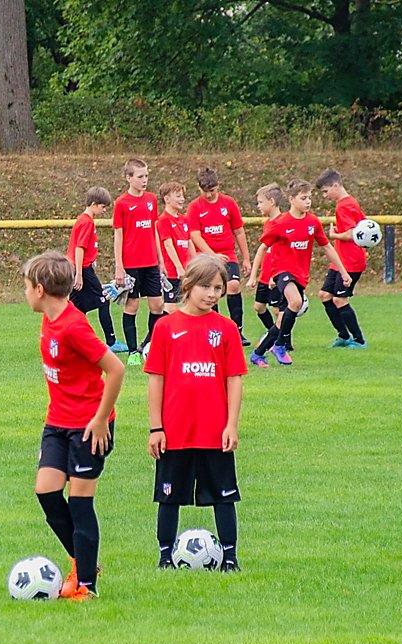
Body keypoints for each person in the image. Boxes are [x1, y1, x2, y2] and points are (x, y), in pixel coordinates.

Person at [24, 250, 125, 601]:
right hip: (58, 423)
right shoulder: (48, 320)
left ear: (39, 289)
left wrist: (100, 420)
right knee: (46, 491)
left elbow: (116, 369)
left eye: (25, 286)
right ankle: (83, 561)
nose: (24, 293)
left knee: (80, 504)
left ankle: (87, 586)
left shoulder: (73, 325)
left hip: (88, 427)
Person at [145, 254, 246, 571]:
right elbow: (156, 381)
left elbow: (234, 381)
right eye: (206, 286)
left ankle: (230, 558)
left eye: (218, 288)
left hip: (214, 430)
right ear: (187, 285)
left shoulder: (226, 329)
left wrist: (231, 424)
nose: (213, 294)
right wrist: (155, 428)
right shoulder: (165, 327)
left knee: (224, 496)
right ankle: (164, 558)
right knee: (168, 497)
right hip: (175, 431)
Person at [249, 179, 350, 368]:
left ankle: (258, 353)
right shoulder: (280, 223)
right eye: (304, 198)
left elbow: (327, 247)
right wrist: (255, 276)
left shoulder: (313, 222)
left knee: (281, 319)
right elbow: (263, 248)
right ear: (291, 199)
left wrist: (343, 272)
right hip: (281, 272)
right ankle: (280, 345)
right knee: (296, 302)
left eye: (310, 197)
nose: (308, 201)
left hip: (300, 276)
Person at [187, 167, 251, 345]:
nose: (208, 195)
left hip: (228, 255)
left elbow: (238, 232)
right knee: (210, 291)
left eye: (212, 191)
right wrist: (212, 255)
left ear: (218, 186)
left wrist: (246, 258)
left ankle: (237, 331)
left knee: (233, 285)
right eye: (204, 191)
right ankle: (213, 329)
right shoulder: (194, 207)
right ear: (199, 188)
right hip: (206, 259)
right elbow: (195, 235)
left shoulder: (229, 203)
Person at [113, 158, 165, 365]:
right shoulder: (122, 203)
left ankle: (148, 345)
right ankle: (133, 351)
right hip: (131, 265)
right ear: (129, 178)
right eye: (140, 176)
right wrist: (120, 266)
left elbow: (154, 230)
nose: (145, 180)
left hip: (151, 262)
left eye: (146, 176)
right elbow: (118, 235)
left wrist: (160, 259)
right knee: (132, 305)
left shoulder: (151, 199)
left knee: (157, 305)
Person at [315, 169, 368, 348]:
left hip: (350, 261)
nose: (324, 196)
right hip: (340, 261)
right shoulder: (350, 202)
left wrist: (334, 235)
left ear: (336, 185)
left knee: (339, 300)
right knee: (324, 295)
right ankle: (344, 336)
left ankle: (359, 340)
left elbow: (354, 232)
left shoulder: (344, 205)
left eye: (325, 191)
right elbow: (364, 225)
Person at [67, 187, 123, 351]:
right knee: (103, 300)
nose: (105, 210)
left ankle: (72, 340)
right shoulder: (87, 222)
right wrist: (79, 274)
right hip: (82, 270)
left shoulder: (83, 220)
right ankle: (112, 343)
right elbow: (79, 248)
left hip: (82, 267)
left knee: (78, 307)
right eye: (103, 207)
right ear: (93, 204)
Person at [246, 183, 286, 353]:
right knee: (259, 307)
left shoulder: (283, 223)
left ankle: (283, 342)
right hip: (265, 275)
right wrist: (254, 276)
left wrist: (275, 277)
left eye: (260, 202)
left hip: (275, 276)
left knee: (279, 311)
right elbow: (263, 251)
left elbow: (284, 255)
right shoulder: (268, 223)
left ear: (271, 202)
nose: (258, 206)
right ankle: (274, 333)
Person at [154, 181, 193, 315]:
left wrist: (195, 263)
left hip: (186, 270)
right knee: (170, 308)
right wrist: (178, 266)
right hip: (172, 271)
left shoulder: (184, 219)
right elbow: (168, 245)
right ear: (167, 199)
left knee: (185, 306)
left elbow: (189, 243)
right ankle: (154, 335)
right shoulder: (164, 220)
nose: (182, 199)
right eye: (178, 196)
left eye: (182, 196)